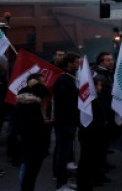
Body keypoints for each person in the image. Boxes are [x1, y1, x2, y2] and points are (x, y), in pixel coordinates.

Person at [12, 75, 51, 191]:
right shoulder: (30, 104)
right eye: (42, 82)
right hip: (32, 142)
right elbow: (34, 126)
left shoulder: (30, 102)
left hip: (30, 141)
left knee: (29, 170)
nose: (44, 85)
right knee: (29, 170)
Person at [52, 51, 81, 191]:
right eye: (76, 62)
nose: (78, 64)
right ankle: (61, 184)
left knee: (67, 153)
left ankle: (65, 181)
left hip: (68, 122)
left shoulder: (70, 77)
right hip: (64, 122)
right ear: (69, 64)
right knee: (63, 153)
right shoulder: (63, 80)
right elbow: (65, 104)